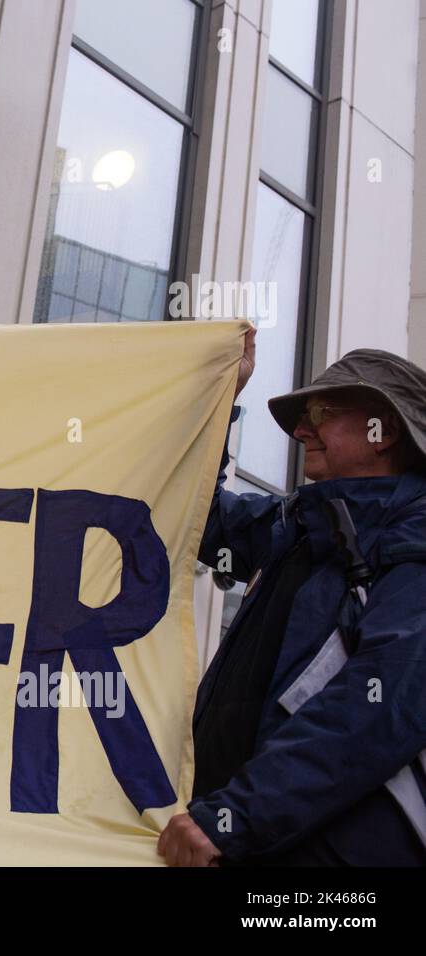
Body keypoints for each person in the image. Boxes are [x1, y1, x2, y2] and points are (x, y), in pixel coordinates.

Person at [158, 326, 426, 866]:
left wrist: (237, 817)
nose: (301, 431)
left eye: (323, 413)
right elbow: (196, 520)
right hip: (244, 837)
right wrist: (218, 399)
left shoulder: (415, 541)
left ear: (385, 428)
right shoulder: (303, 526)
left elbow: (380, 706)